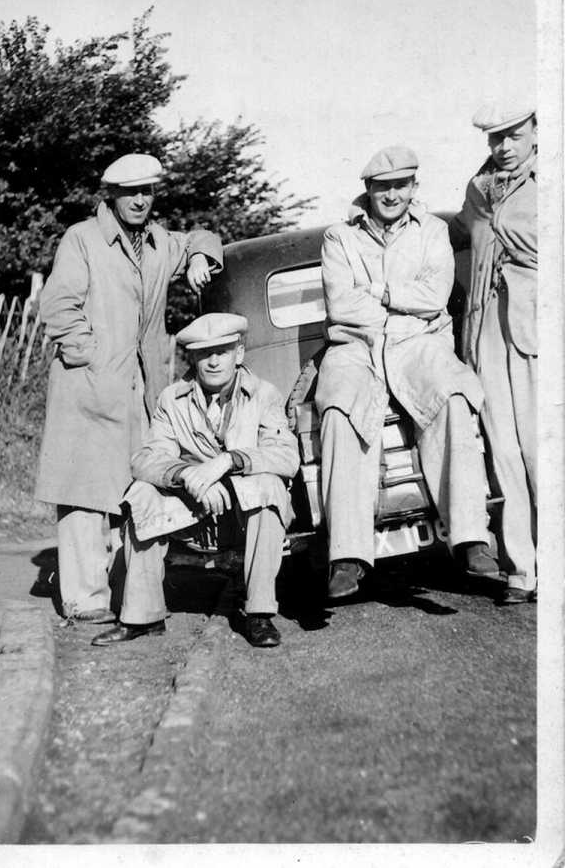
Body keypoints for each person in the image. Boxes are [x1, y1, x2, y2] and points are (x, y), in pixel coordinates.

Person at [35, 154, 223, 622]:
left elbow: (201, 238)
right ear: (111, 195)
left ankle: (126, 594)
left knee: (135, 488)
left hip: (141, 390)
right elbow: (58, 306)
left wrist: (199, 257)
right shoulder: (82, 239)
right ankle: (84, 599)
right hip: (88, 386)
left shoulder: (159, 242)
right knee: (83, 493)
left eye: (148, 191)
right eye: (130, 192)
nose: (140, 200)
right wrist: (91, 357)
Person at [315, 146, 497, 600]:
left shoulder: (432, 230)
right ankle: (347, 556)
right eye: (383, 187)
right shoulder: (339, 237)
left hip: (419, 342)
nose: (392, 195)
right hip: (355, 346)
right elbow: (341, 304)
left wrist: (376, 290)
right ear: (368, 189)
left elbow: (434, 296)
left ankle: (470, 538)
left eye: (401, 185)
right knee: (338, 409)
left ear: (414, 187)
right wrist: (399, 302)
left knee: (452, 394)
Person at [91, 312, 300, 648]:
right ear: (192, 358)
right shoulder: (172, 400)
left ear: (239, 354)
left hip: (244, 519)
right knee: (142, 493)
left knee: (269, 487)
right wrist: (187, 474)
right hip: (195, 518)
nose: (213, 362)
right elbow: (146, 459)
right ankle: (142, 617)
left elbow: (287, 457)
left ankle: (259, 614)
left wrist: (227, 463)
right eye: (204, 354)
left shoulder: (263, 394)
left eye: (222, 352)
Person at [449, 104, 537, 605]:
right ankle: (522, 569)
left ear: (536, 133)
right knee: (504, 452)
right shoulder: (478, 191)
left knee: (541, 449)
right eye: (495, 138)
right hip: (487, 332)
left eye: (514, 135)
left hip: (537, 330)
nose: (504, 147)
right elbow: (458, 232)